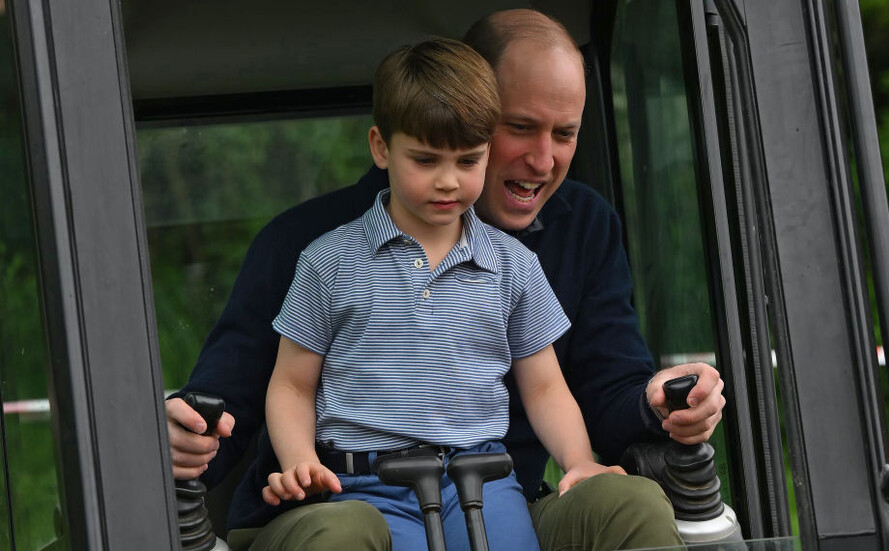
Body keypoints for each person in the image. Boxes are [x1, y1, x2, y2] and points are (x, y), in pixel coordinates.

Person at [167, 8, 726, 551]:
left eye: (565, 134)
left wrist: (657, 406)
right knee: (345, 532)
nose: (542, 159)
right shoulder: (313, 247)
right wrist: (186, 434)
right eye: (522, 127)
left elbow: (585, 390)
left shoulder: (574, 231)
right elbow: (234, 399)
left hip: (490, 494)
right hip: (338, 503)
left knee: (632, 506)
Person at [260, 37, 623, 551]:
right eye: (426, 160)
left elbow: (544, 388)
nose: (449, 181)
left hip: (485, 479)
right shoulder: (328, 260)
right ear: (381, 147)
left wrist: (579, 459)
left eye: (469, 161)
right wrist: (300, 460)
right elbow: (293, 385)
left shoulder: (513, 265)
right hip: (368, 486)